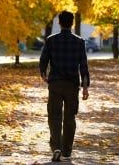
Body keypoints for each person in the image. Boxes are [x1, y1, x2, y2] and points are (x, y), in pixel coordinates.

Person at [39, 11, 90, 162]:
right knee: (69, 117)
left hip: (55, 84)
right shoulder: (79, 42)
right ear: (72, 23)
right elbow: (83, 65)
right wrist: (85, 86)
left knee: (54, 116)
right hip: (72, 85)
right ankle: (67, 150)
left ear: (59, 23)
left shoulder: (51, 40)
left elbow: (43, 61)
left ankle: (56, 147)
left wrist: (43, 74)